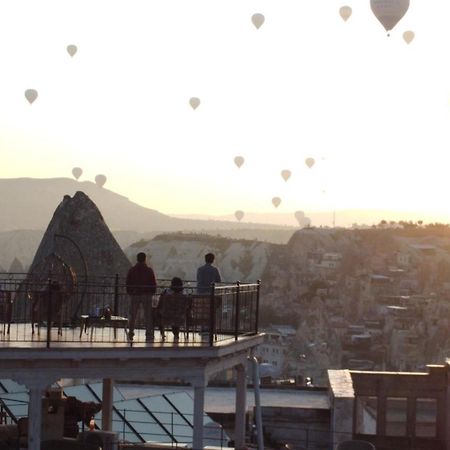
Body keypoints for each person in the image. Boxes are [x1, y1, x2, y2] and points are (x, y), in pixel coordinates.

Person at [126, 252, 157, 341]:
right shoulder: (149, 270)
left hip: (135, 294)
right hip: (146, 294)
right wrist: (152, 292)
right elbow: (153, 283)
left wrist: (130, 292)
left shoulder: (132, 270)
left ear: (137, 259)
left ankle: (131, 332)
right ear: (145, 259)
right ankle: (148, 333)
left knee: (133, 315)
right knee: (148, 315)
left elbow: (128, 282)